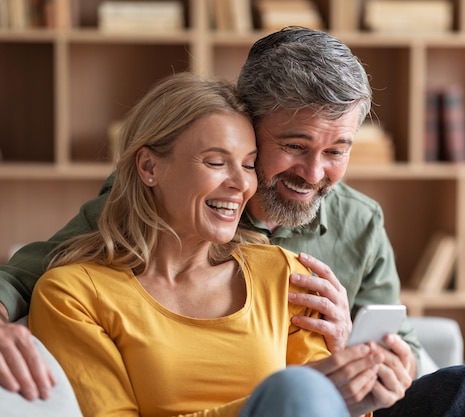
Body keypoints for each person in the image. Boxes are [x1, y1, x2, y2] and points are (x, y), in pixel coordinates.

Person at [0, 27, 465, 416]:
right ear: (247, 125)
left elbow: (398, 351)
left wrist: (356, 350)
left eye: (337, 151)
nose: (314, 173)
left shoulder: (344, 230)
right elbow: (32, 274)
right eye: (294, 147)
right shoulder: (143, 209)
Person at [29, 72, 386, 417]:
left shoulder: (286, 275)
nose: (239, 184)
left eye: (248, 165)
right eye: (216, 162)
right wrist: (273, 401)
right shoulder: (73, 295)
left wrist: (359, 379)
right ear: (149, 166)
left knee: (444, 386)